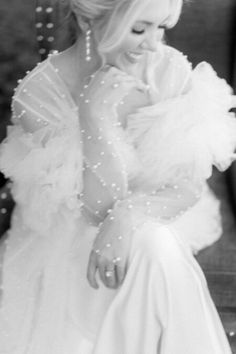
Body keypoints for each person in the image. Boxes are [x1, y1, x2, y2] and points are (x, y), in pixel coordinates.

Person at [0, 0, 236, 352]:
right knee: (150, 247)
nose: (154, 44)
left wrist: (128, 216)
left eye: (162, 27)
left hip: (158, 217)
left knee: (152, 242)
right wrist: (95, 116)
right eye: (138, 29)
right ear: (86, 20)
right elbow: (95, 212)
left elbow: (185, 188)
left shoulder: (168, 70)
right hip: (71, 238)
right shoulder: (38, 94)